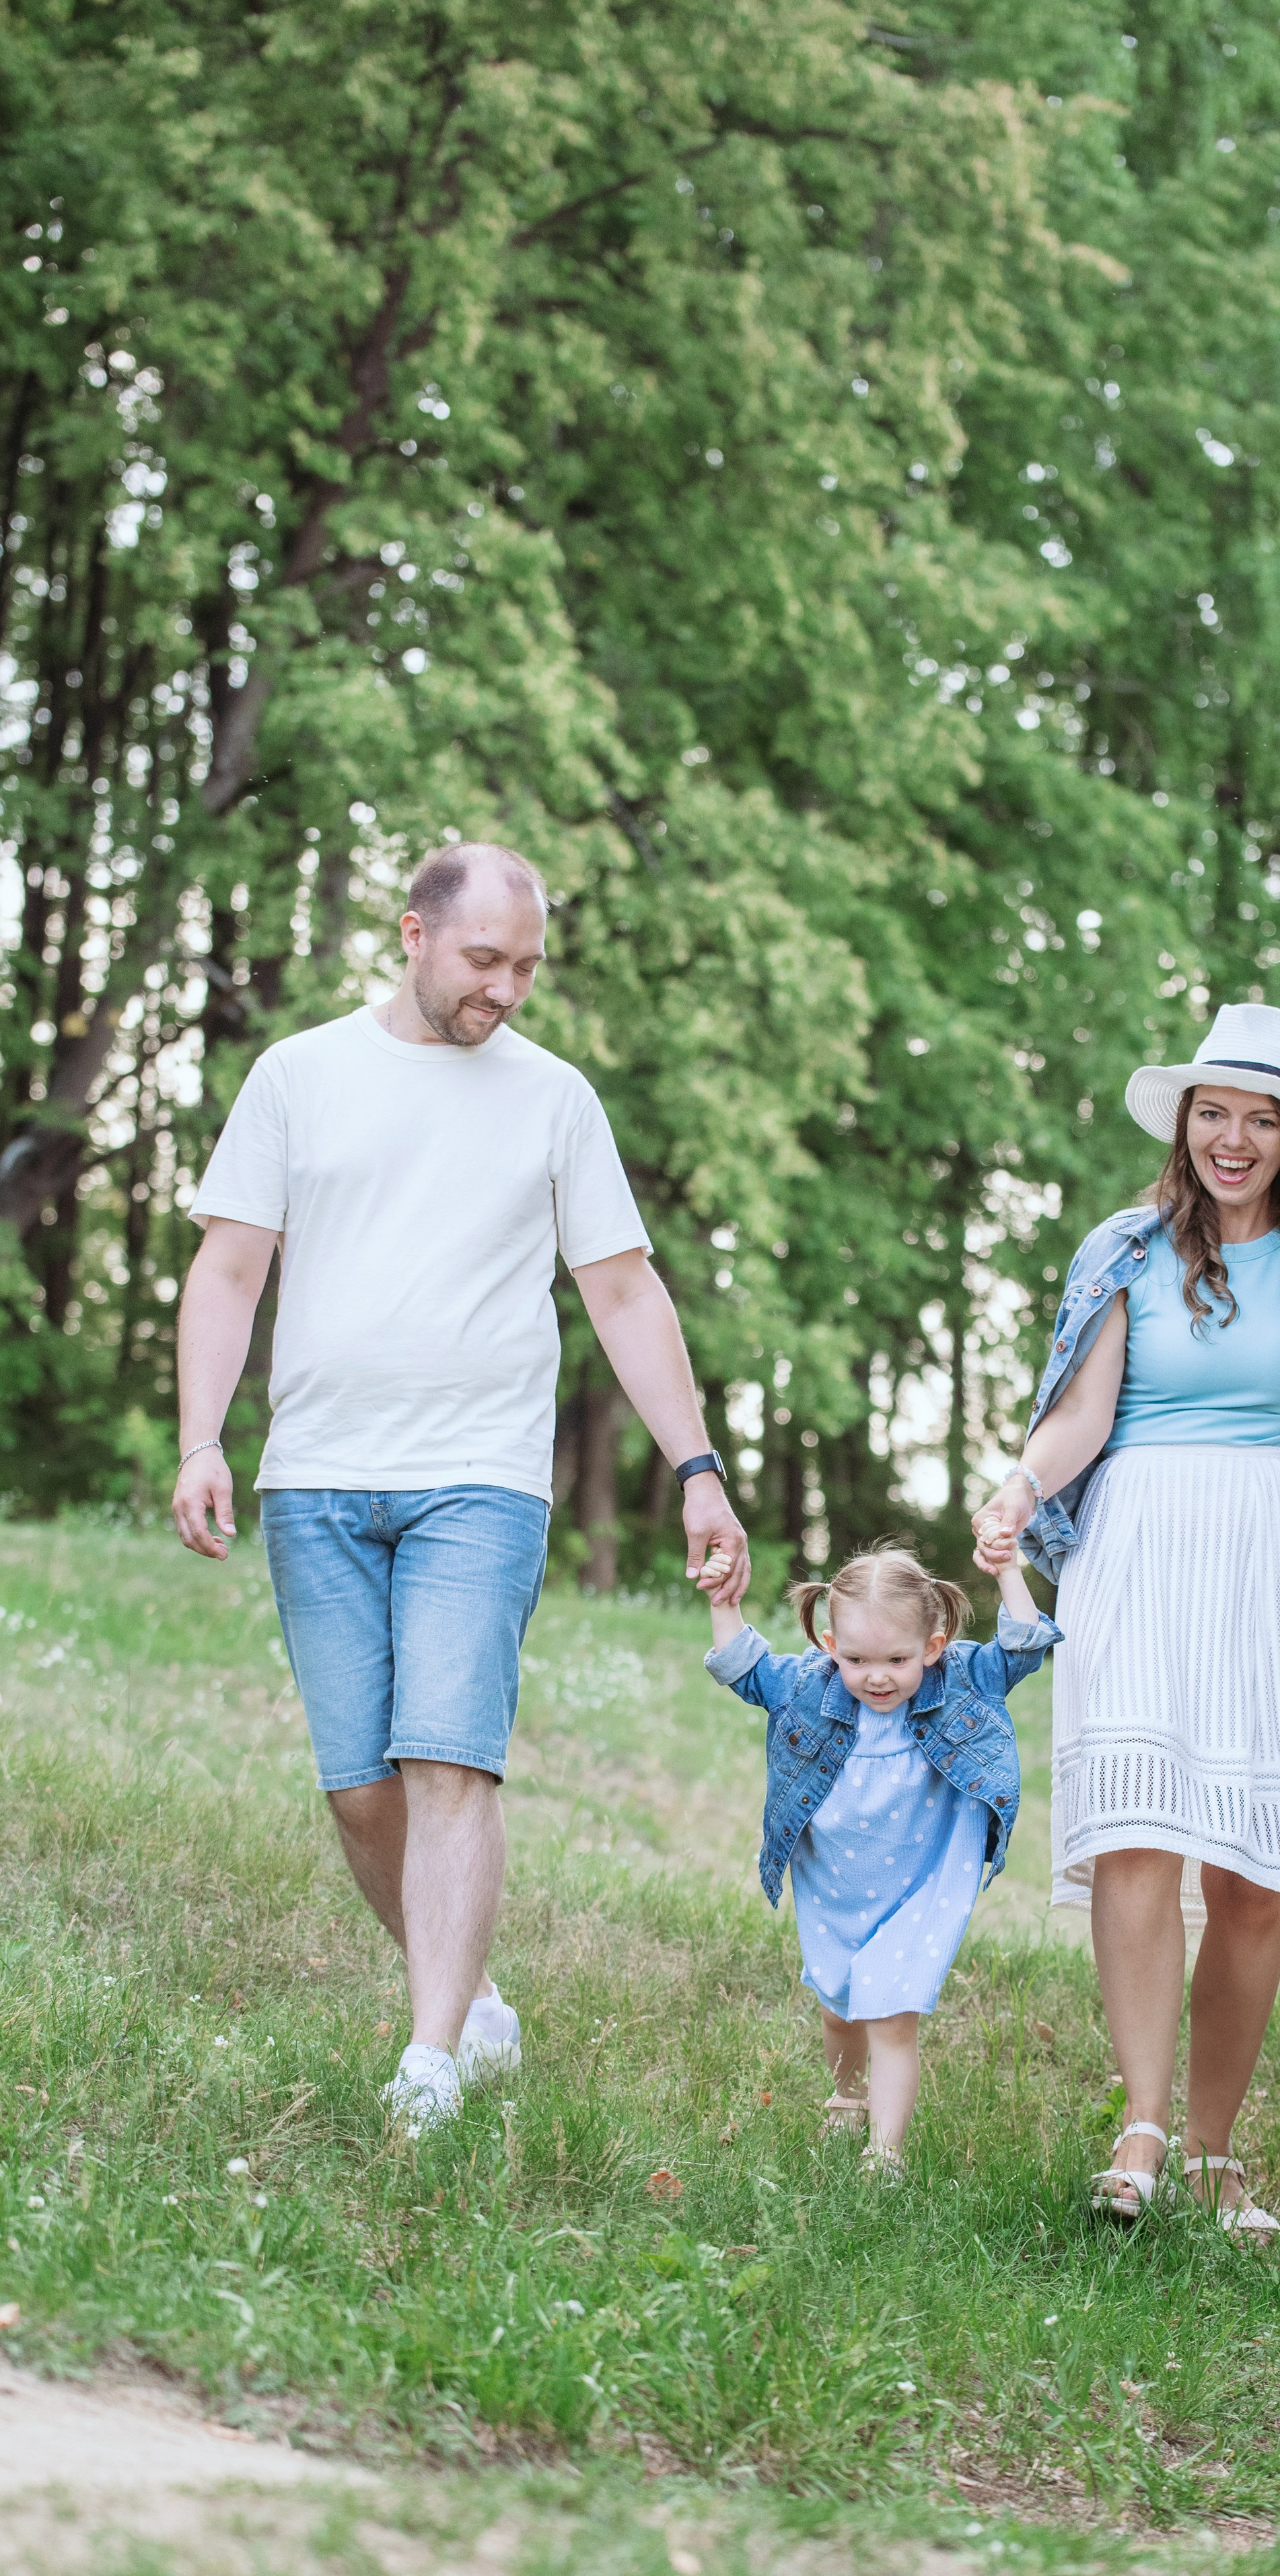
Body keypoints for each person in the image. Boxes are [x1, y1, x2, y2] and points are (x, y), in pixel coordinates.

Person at [172, 840, 748, 2136]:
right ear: (413, 934)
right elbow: (227, 1270)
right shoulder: (299, 1076)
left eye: (527, 966)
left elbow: (621, 1289)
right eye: (486, 960)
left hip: (480, 1479)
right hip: (317, 1473)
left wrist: (697, 1470)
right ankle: (473, 1998)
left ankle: (428, 2063)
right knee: (357, 1786)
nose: (507, 989)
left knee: (448, 1762)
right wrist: (202, 1437)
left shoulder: (555, 1099)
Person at [971, 1002, 1280, 2231]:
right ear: (1187, 1122)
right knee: (1141, 1836)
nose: (1234, 1139)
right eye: (1215, 1113)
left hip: (1270, 1555)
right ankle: (1140, 2131)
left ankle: (1213, 2146)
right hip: (1142, 1545)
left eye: (1260, 1118)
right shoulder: (1131, 1249)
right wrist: (1019, 1481)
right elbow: (1084, 1415)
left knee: (1253, 1873)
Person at [699, 1544, 1059, 2168]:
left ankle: (884, 2155)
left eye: (897, 1658)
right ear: (832, 1645)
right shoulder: (809, 1686)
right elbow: (744, 1669)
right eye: (857, 1659)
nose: (877, 1676)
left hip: (923, 1882)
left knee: (891, 2013)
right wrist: (723, 1602)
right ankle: (847, 2096)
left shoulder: (961, 1680)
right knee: (839, 2007)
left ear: (933, 1646)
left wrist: (1006, 1570)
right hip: (834, 1880)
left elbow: (1025, 1646)